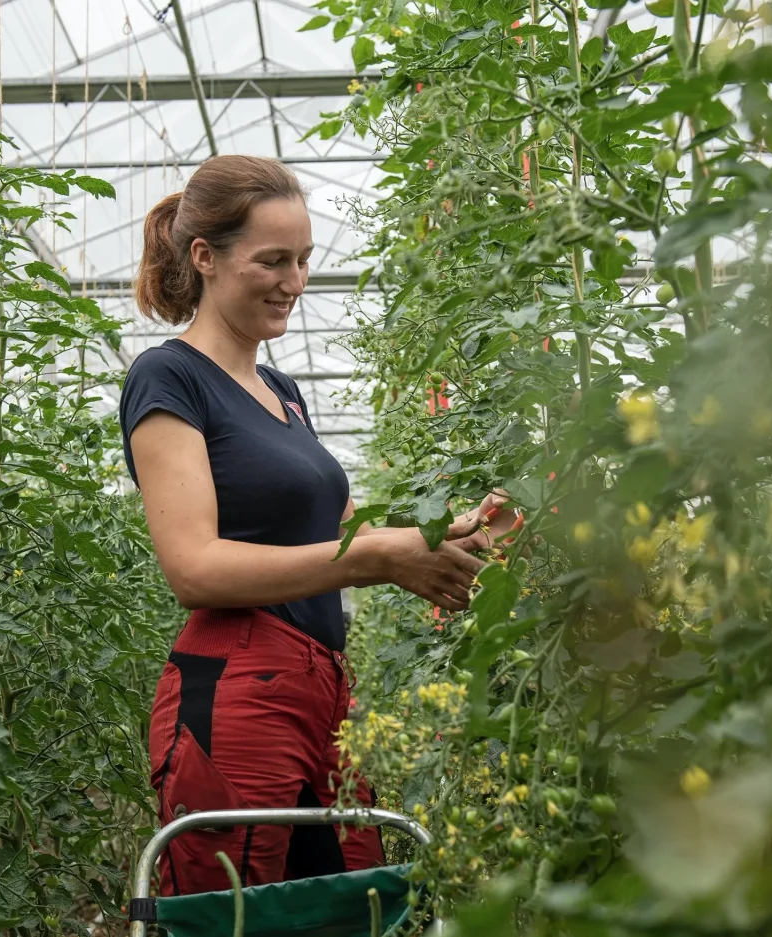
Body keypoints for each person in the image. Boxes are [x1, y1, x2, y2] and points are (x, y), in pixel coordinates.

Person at [118, 154, 521, 897]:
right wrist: (373, 560)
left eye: (303, 260)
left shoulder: (281, 390)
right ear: (205, 257)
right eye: (272, 261)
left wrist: (453, 536)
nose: (295, 282)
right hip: (236, 690)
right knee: (230, 910)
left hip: (323, 690)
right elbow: (194, 568)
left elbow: (343, 531)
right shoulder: (168, 377)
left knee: (349, 902)